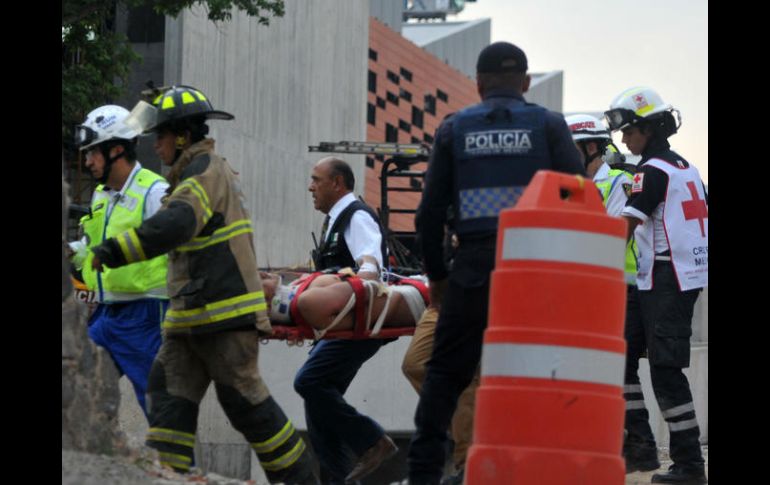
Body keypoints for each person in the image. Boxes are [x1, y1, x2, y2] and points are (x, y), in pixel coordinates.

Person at [88, 85, 316, 484]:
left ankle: (300, 479)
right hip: (191, 315)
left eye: (160, 135)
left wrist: (112, 250)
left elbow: (175, 224)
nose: (154, 145)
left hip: (223, 314)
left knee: (243, 401)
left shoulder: (204, 171)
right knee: (167, 393)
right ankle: (170, 475)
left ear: (182, 136)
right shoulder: (189, 174)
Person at [407, 41, 586, 485]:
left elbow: (428, 214)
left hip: (473, 268)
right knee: (541, 374)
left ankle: (425, 473)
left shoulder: (455, 129)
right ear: (526, 82)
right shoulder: (549, 126)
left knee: (444, 375)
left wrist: (439, 276)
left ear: (478, 84)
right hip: (534, 269)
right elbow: (579, 197)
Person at [605, 87, 707, 485]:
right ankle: (641, 447)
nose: (624, 139)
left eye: (629, 131)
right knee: (622, 353)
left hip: (668, 279)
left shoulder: (651, 172)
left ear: (648, 129)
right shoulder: (686, 167)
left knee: (665, 372)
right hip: (669, 278)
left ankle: (689, 464)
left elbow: (625, 228)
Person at [293, 157, 397, 484]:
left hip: (358, 325)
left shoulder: (357, 217)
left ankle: (373, 440)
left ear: (337, 183)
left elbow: (371, 267)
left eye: (316, 180)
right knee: (319, 409)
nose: (311, 187)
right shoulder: (336, 221)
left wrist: (350, 278)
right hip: (343, 324)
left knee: (309, 382)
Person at [566, 113, 659, 473]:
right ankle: (607, 444)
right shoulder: (569, 188)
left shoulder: (620, 182)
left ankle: (640, 446)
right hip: (587, 292)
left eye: (571, 149)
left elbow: (610, 237)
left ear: (591, 147)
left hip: (622, 290)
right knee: (590, 371)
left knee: (620, 370)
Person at [69, 104, 169, 418]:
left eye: (92, 152)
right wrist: (72, 250)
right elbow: (94, 247)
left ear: (116, 150)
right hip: (107, 313)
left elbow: (179, 248)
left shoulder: (155, 192)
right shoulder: (102, 194)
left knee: (157, 405)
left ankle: (174, 452)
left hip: (144, 315)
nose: (87, 161)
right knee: (76, 383)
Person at [260, 269, 428, 335]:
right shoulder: (308, 302)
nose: (261, 274)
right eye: (256, 280)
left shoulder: (302, 292)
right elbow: (367, 287)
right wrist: (368, 263)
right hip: (418, 300)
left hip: (411, 293)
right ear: (267, 303)